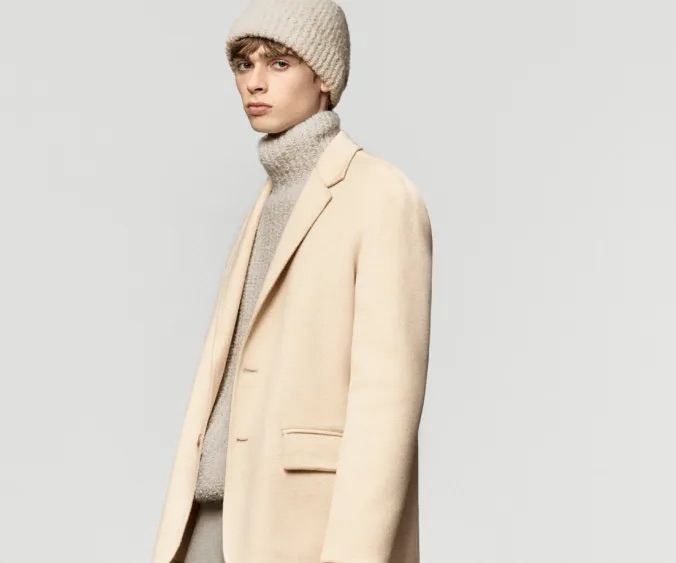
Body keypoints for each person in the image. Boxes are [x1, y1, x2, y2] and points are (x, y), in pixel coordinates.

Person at [152, 0, 433, 560]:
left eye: (279, 63)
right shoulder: (268, 200)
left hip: (301, 527)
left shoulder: (380, 196)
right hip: (213, 517)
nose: (254, 82)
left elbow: (385, 407)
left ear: (324, 77)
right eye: (244, 64)